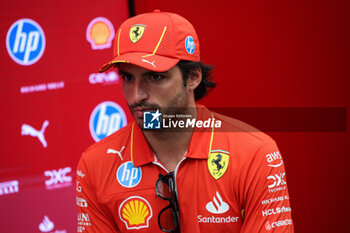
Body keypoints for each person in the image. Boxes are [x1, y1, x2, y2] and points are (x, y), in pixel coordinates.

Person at [76, 10, 294, 233]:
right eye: (127, 77)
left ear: (193, 77)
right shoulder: (95, 166)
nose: (136, 95)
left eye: (154, 76)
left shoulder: (255, 153)